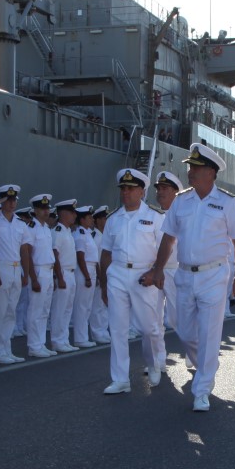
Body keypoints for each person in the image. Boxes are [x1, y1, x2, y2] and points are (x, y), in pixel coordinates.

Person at [147, 142, 235, 412]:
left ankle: (202, 388)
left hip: (214, 275)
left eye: (196, 167)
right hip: (183, 274)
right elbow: (169, 238)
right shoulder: (181, 200)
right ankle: (207, 361)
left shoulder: (227, 202)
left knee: (209, 332)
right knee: (180, 326)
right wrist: (158, 269)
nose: (190, 171)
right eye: (190, 167)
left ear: (211, 172)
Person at [99, 168, 166, 393]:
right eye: (123, 189)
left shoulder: (155, 217)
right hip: (117, 274)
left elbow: (165, 249)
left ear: (141, 191)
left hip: (143, 276)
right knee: (117, 329)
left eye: (131, 188)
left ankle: (154, 362)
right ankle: (120, 379)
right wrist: (104, 285)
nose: (126, 193)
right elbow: (106, 253)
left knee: (149, 328)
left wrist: (156, 272)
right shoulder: (113, 219)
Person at [0, 185, 29, 365]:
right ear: (2, 201)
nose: (12, 203)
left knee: (10, 311)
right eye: (8, 199)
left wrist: (25, 273)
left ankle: (6, 349)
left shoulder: (20, 223)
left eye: (14, 200)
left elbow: (24, 249)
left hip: (16, 267)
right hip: (1, 267)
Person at [23, 193, 57, 358]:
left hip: (48, 271)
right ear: (35, 210)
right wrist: (33, 278)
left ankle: (40, 343)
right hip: (38, 271)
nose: (46, 211)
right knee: (36, 310)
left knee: (44, 310)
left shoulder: (46, 228)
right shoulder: (32, 227)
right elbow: (28, 253)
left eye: (47, 208)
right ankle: (34, 345)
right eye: (42, 208)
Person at [48, 198, 79, 353]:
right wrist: (59, 277)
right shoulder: (57, 232)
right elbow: (55, 255)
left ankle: (64, 339)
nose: (74, 215)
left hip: (71, 273)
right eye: (72, 212)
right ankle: (56, 341)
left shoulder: (67, 231)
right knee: (59, 310)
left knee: (67, 309)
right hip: (63, 274)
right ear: (63, 213)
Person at [153, 172, 182, 331]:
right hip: (153, 270)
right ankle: (157, 355)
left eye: (165, 188)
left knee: (178, 319)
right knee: (153, 320)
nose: (160, 192)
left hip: (174, 270)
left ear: (175, 192)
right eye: (158, 188)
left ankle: (192, 354)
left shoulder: (182, 215)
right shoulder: (152, 216)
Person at [70, 205, 98, 348]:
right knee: (81, 306)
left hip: (90, 269)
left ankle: (83, 336)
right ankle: (80, 338)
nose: (92, 219)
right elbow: (80, 256)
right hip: (84, 270)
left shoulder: (87, 233)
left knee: (87, 306)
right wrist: (87, 276)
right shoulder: (80, 234)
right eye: (89, 217)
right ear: (82, 220)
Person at [89, 205, 111, 344]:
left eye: (106, 218)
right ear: (96, 221)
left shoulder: (105, 236)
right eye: (103, 218)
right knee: (97, 305)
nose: (105, 221)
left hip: (108, 274)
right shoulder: (95, 237)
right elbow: (95, 258)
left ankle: (103, 330)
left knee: (105, 305)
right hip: (99, 274)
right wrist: (99, 275)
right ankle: (97, 332)